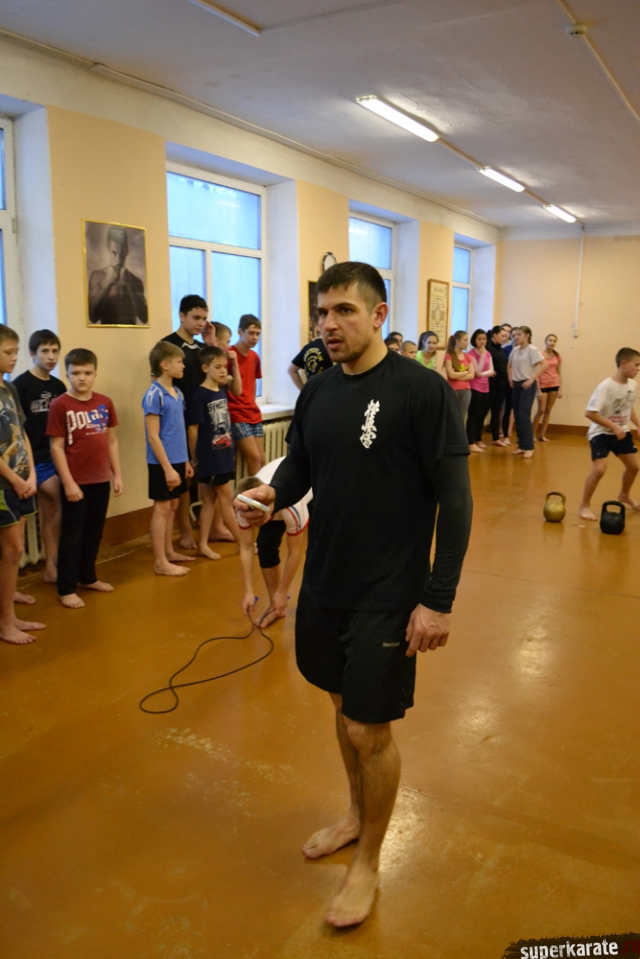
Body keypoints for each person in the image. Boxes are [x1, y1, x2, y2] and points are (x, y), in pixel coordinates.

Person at [234, 261, 472, 928]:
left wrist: (438, 597)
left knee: (370, 727)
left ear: (379, 314)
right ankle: (353, 815)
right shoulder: (318, 391)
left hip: (389, 593)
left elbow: (455, 501)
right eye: (322, 312)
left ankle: (369, 858)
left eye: (344, 310)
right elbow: (303, 466)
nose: (329, 324)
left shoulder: (421, 391)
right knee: (344, 711)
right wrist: (270, 494)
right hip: (325, 584)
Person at [46, 348, 123, 609]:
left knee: (94, 532)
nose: (82, 378)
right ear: (67, 374)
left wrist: (117, 474)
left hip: (100, 478)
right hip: (75, 481)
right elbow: (56, 447)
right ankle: (66, 587)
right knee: (72, 535)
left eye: (87, 373)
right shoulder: (60, 405)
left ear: (95, 374)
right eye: (76, 373)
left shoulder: (104, 402)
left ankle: (87, 576)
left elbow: (111, 441)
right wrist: (68, 482)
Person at [0, 327, 44, 645]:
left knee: (14, 552)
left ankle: (10, 611)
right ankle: (6, 623)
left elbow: (21, 432)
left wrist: (30, 476)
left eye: (16, 352)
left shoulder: (10, 389)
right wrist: (14, 479)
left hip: (21, 478)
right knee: (13, 549)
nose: (14, 358)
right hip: (4, 484)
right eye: (8, 352)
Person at [13, 330, 66, 585]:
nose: (51, 356)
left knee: (53, 509)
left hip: (58, 454)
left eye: (55, 351)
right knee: (55, 496)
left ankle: (53, 564)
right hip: (36, 459)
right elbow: (17, 429)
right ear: (32, 354)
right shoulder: (20, 386)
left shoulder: (58, 386)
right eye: (45, 351)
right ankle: (52, 563)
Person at [235, 457, 310, 628]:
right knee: (265, 547)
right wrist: (248, 591)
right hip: (274, 502)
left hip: (310, 490)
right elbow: (246, 548)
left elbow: (295, 552)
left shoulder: (292, 507)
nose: (252, 523)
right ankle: (275, 607)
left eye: (256, 519)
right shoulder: (242, 506)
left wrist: (283, 591)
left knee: (317, 548)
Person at [143, 341, 195, 577]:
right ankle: (160, 561)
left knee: (173, 505)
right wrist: (167, 469)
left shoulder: (178, 393)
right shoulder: (154, 395)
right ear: (165, 365)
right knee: (162, 507)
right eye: (179, 362)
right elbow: (153, 436)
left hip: (177, 459)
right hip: (161, 463)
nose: (183, 366)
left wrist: (184, 461)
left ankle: (169, 552)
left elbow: (178, 430)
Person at [163, 294, 208, 550]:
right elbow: (160, 385)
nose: (201, 323)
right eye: (196, 317)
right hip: (179, 422)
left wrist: (212, 344)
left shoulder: (202, 348)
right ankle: (185, 531)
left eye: (204, 318)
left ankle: (208, 526)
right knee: (184, 479)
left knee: (205, 475)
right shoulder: (168, 345)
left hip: (202, 420)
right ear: (181, 316)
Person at [187, 346, 241, 559]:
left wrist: (234, 365)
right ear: (205, 368)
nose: (222, 371)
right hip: (211, 456)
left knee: (209, 499)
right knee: (226, 498)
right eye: (217, 367)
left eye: (224, 367)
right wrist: (194, 457)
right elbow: (193, 429)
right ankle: (243, 542)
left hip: (223, 452)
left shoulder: (221, 390)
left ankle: (202, 544)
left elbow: (237, 390)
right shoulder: (200, 395)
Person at [579, 347, 640, 521]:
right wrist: (613, 427)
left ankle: (624, 495)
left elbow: (628, 406)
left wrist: (638, 425)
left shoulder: (632, 385)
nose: (638, 369)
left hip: (621, 432)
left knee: (634, 467)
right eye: (636, 365)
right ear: (623, 363)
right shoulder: (605, 387)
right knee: (599, 469)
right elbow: (590, 413)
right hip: (600, 433)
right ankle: (584, 505)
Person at [227, 314, 264, 476]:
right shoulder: (229, 354)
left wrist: (252, 402)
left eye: (258, 334)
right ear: (240, 332)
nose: (255, 338)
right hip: (236, 413)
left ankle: (261, 490)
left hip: (252, 412)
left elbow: (253, 382)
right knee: (254, 458)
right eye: (251, 333)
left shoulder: (255, 357)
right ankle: (254, 492)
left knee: (262, 459)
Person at [88, 225, 148, 326]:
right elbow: (92, 318)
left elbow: (144, 318)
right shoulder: (97, 276)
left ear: (126, 251)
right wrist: (107, 284)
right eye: (114, 253)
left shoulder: (135, 281)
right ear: (108, 248)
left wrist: (130, 286)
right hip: (104, 335)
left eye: (122, 253)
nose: (118, 259)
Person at [508, 327, 548, 459]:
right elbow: (509, 365)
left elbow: (545, 364)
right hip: (516, 384)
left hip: (527, 384)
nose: (516, 337)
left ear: (527, 336)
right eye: (514, 335)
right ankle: (522, 446)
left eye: (519, 334)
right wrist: (510, 378)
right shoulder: (515, 350)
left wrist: (532, 379)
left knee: (524, 415)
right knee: (517, 415)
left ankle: (529, 446)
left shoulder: (532, 349)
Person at [466, 329, 495, 452]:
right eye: (479, 339)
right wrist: (482, 356)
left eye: (484, 339)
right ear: (475, 340)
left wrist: (481, 374)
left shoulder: (488, 353)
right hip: (474, 387)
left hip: (485, 387)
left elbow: (492, 371)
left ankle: (478, 439)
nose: (482, 341)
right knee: (473, 414)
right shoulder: (471, 354)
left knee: (482, 414)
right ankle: (470, 441)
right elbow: (476, 370)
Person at [533, 334, 563, 442]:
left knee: (548, 409)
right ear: (546, 341)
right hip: (542, 385)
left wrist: (560, 389)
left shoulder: (557, 355)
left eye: (554, 341)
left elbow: (559, 373)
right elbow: (536, 373)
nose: (552, 342)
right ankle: (532, 434)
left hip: (554, 384)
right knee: (541, 410)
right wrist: (538, 390)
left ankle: (542, 435)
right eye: (550, 340)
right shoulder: (540, 355)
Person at [486, 326, 511, 447]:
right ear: (494, 335)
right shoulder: (488, 348)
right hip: (490, 384)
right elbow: (495, 366)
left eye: (505, 336)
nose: (503, 338)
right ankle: (475, 439)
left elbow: (503, 365)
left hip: (501, 384)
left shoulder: (500, 349)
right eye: (502, 336)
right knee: (484, 411)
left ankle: (495, 438)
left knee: (496, 412)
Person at [444, 331, 474, 425]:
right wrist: (465, 373)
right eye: (465, 340)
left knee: (462, 416)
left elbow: (471, 375)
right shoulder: (449, 356)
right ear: (457, 341)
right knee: (452, 415)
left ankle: (460, 434)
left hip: (466, 390)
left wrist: (457, 375)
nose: (467, 343)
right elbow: (451, 375)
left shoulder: (468, 357)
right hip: (453, 389)